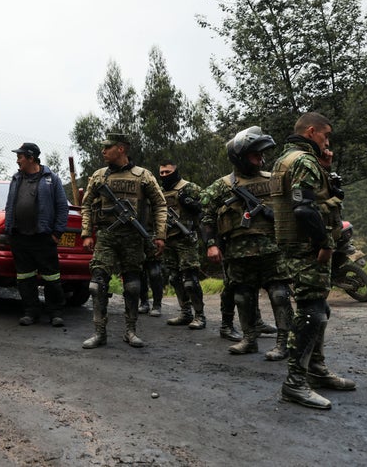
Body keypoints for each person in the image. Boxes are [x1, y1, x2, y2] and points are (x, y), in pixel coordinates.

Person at [271, 112, 355, 410]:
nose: (327, 141)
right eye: (325, 136)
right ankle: (295, 383)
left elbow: (313, 198)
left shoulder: (289, 159)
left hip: (297, 245)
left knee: (320, 306)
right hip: (306, 247)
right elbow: (305, 210)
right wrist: (324, 243)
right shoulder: (303, 161)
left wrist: (326, 169)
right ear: (311, 132)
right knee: (312, 312)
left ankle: (316, 370)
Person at [199, 126, 293, 361]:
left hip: (273, 250)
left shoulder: (274, 180)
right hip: (238, 253)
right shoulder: (222, 186)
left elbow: (291, 210)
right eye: (255, 155)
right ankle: (249, 339)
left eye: (262, 155)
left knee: (280, 294)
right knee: (243, 296)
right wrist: (211, 244)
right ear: (240, 157)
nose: (261, 160)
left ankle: (284, 343)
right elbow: (205, 215)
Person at [80, 133, 167, 348]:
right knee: (96, 284)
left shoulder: (143, 176)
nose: (103, 151)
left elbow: (160, 205)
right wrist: (85, 233)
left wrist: (160, 235)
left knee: (133, 286)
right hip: (106, 236)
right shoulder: (99, 176)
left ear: (121, 149)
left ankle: (130, 331)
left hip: (133, 237)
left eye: (107, 147)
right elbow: (86, 205)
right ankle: (100, 333)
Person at [4, 142, 69, 327]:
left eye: (20, 157)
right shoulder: (16, 178)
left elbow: (62, 207)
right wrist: (10, 230)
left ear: (31, 158)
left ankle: (55, 313)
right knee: (25, 277)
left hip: (43, 238)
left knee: (51, 277)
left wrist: (56, 233)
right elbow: (10, 205)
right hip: (20, 238)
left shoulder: (51, 179)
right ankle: (30, 312)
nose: (18, 161)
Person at [158, 160, 206, 329]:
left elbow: (207, 208)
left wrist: (193, 205)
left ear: (176, 171)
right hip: (169, 239)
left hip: (186, 239)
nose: (164, 175)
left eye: (168, 172)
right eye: (162, 173)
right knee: (174, 278)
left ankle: (200, 315)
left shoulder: (189, 187)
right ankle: (185, 312)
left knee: (190, 281)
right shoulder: (161, 192)